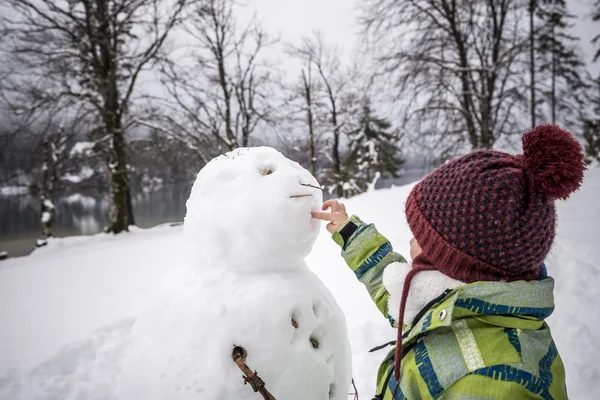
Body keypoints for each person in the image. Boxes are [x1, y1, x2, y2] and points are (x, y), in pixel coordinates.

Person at [312, 125, 585, 399]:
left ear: (460, 262)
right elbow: (398, 288)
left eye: (422, 237)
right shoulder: (463, 300)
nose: (411, 242)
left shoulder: (497, 380)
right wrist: (350, 232)